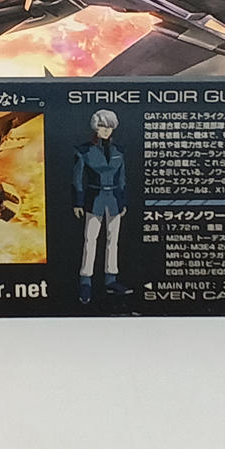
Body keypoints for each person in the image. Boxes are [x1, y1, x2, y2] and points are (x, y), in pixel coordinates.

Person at [72, 109, 130, 303]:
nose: (106, 130)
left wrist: (123, 200)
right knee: (90, 240)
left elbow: (122, 178)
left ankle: (111, 278)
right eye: (103, 126)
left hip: (113, 198)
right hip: (94, 197)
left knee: (113, 240)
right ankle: (86, 281)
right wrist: (78, 202)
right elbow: (77, 179)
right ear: (96, 127)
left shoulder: (119, 150)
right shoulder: (84, 150)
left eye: (109, 127)